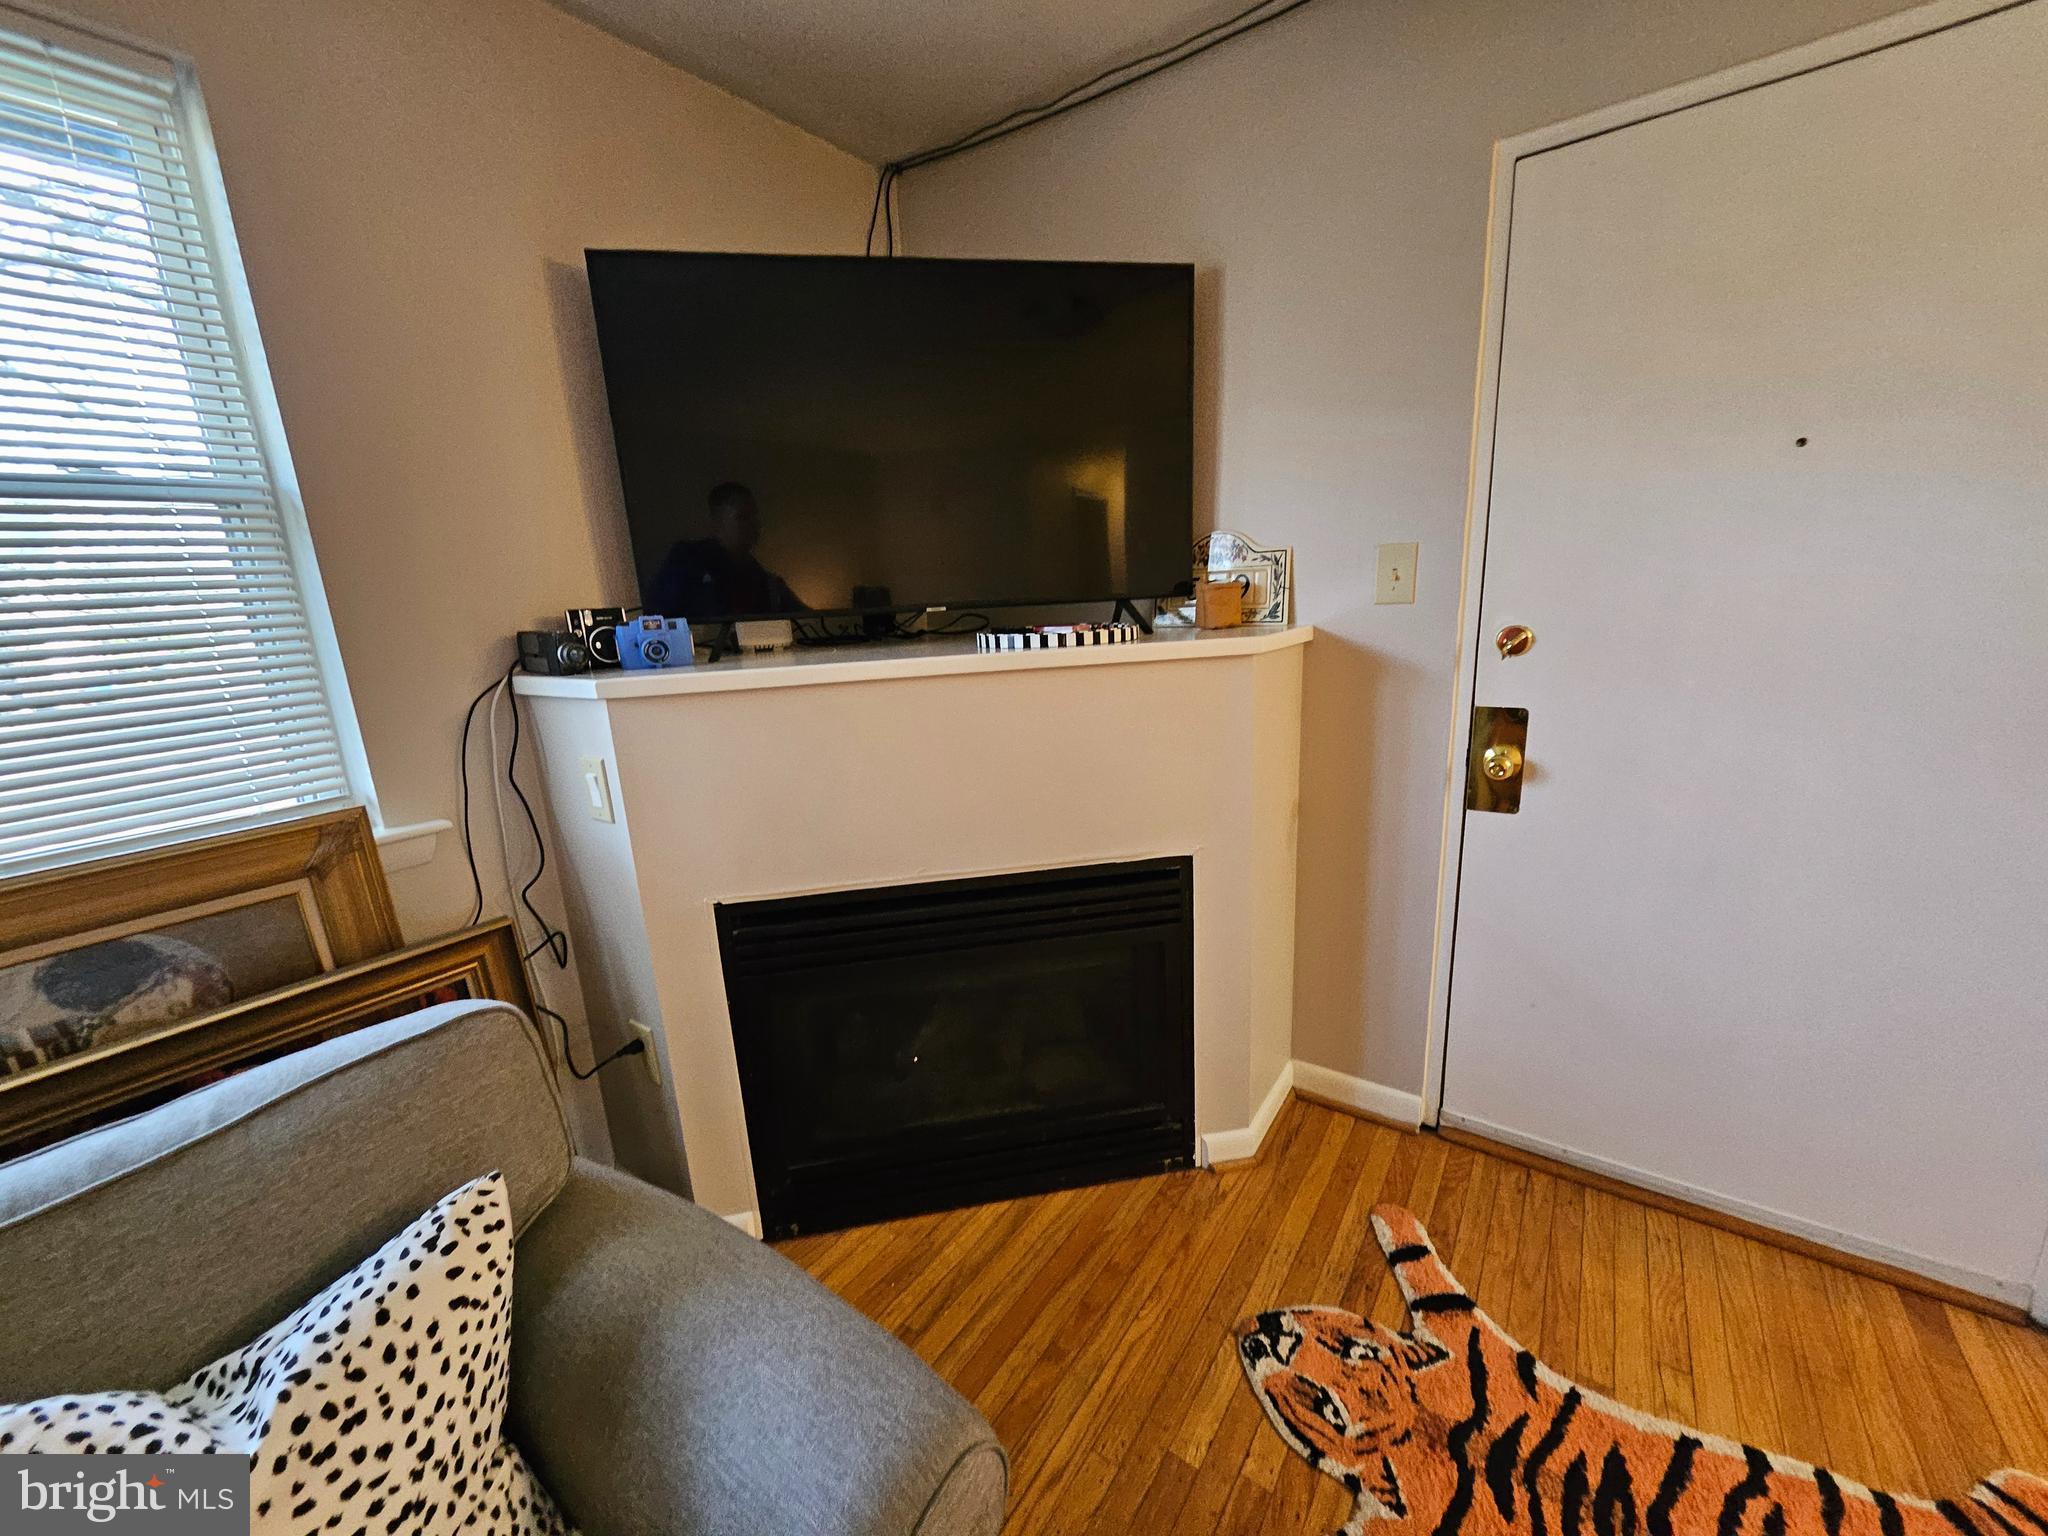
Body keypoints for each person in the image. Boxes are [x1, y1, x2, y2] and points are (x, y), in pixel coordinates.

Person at [645, 483, 809, 620]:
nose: (755, 525)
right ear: (717, 523)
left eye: (755, 517)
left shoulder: (767, 582)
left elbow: (810, 617)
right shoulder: (687, 560)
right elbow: (657, 616)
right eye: (742, 517)